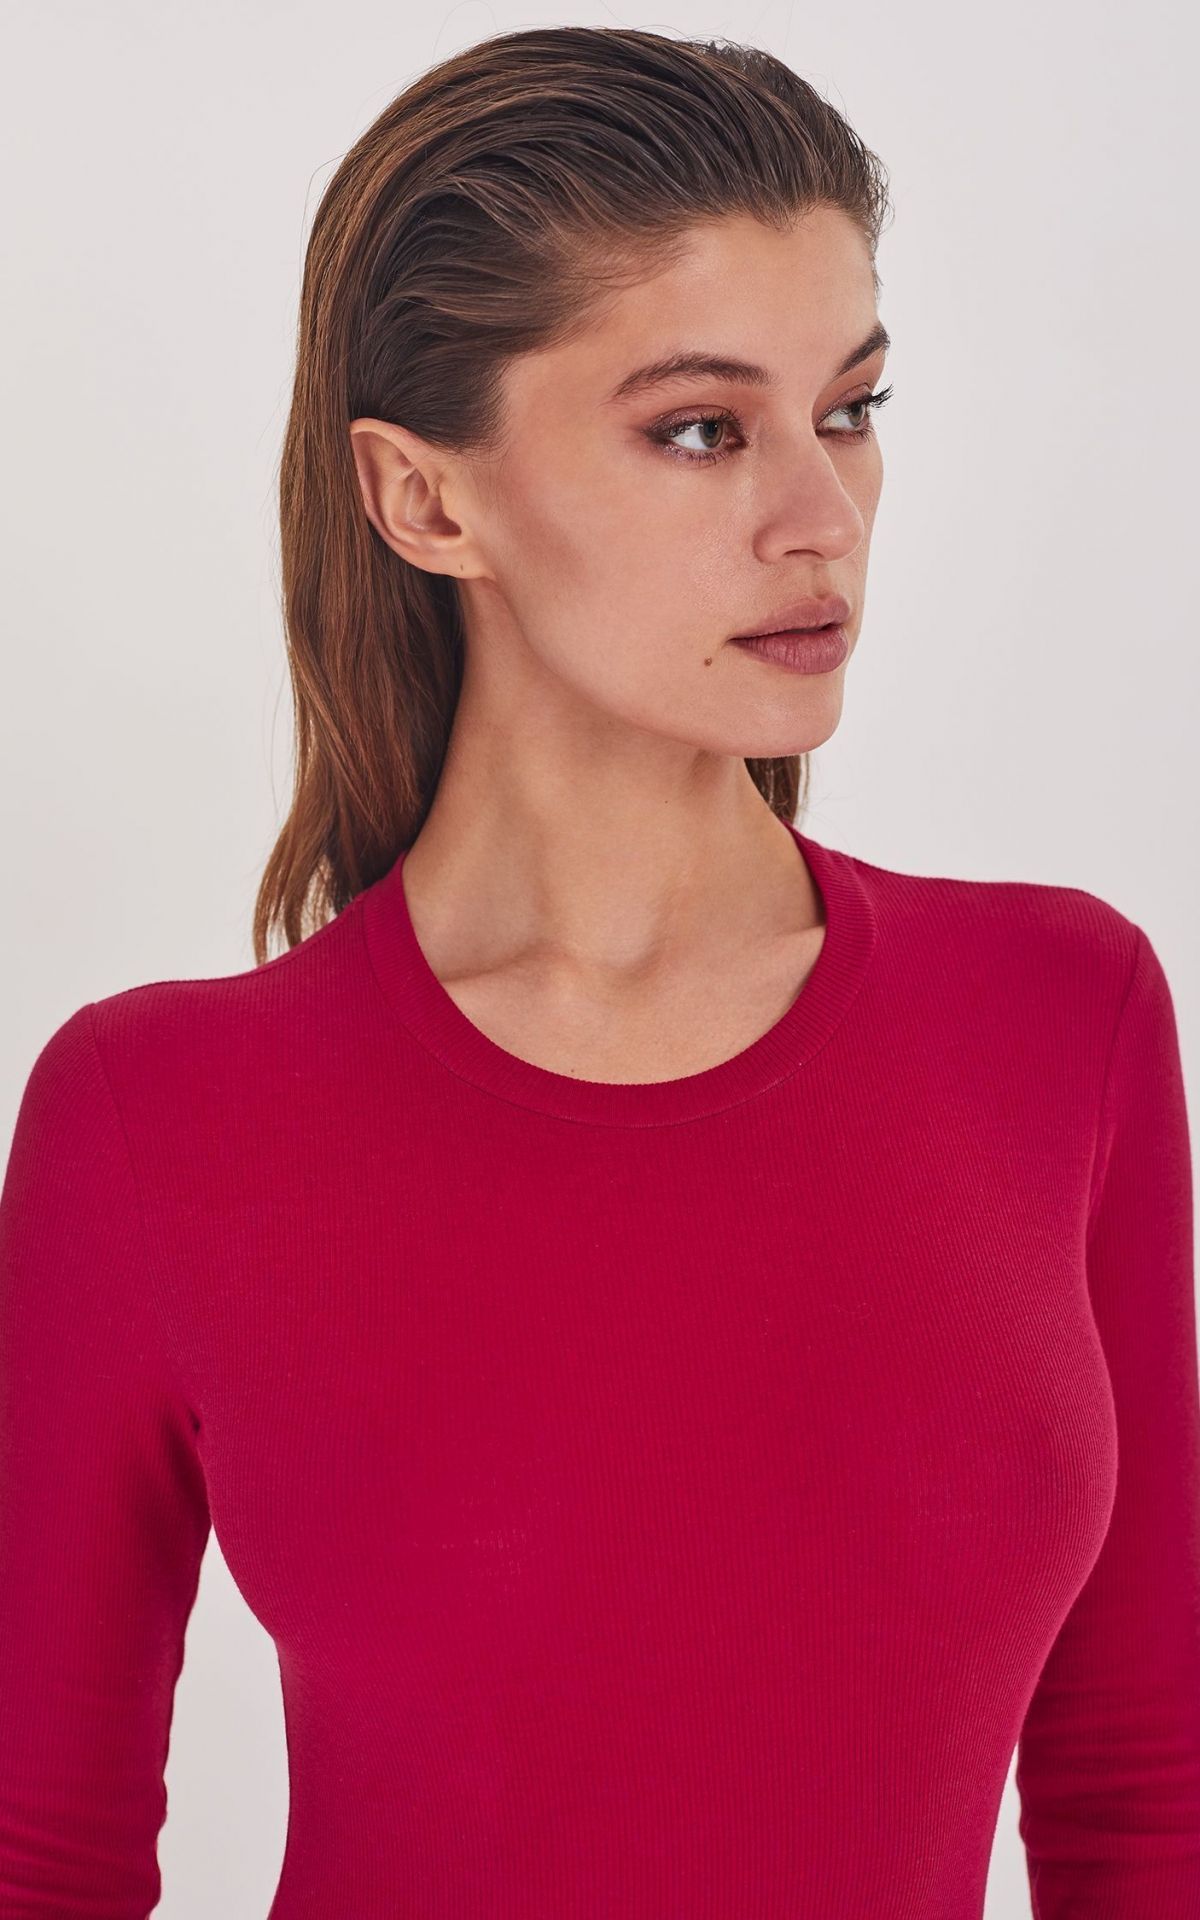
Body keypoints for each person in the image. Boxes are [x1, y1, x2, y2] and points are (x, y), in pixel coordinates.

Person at [1, 24, 1196, 1920]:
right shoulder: (155, 1117)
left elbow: (1148, 1796)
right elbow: (37, 1858)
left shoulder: (1064, 1019)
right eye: (703, 429)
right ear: (426, 501)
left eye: (853, 408)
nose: (821, 516)